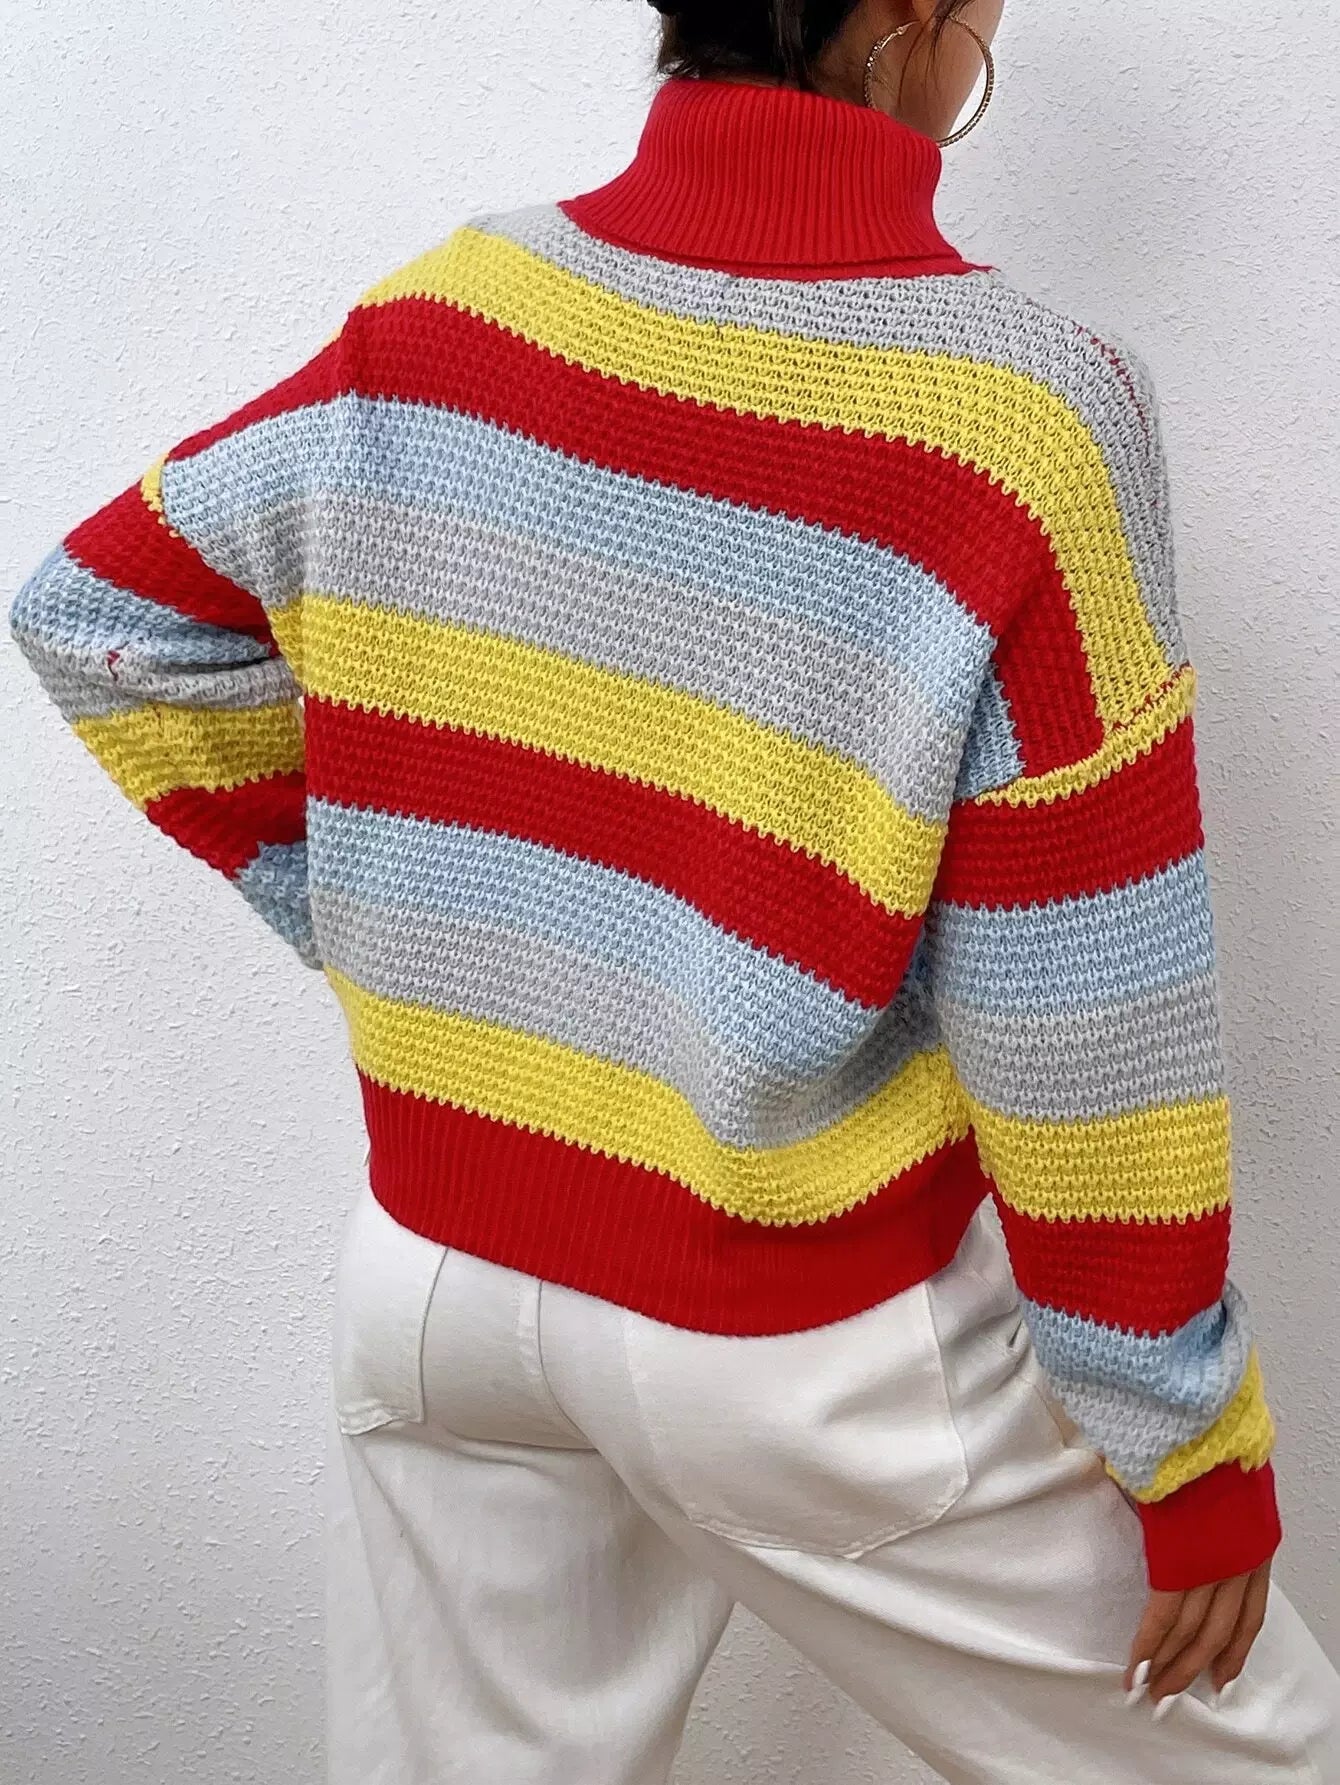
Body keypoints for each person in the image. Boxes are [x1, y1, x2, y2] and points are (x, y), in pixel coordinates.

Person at [9, 1, 1340, 1779]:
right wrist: (1186, 1446)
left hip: (434, 1281)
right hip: (783, 1321)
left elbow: (108, 619)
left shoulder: (451, 309)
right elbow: (1088, 1002)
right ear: (905, 24)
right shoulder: (1027, 416)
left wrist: (417, 929)